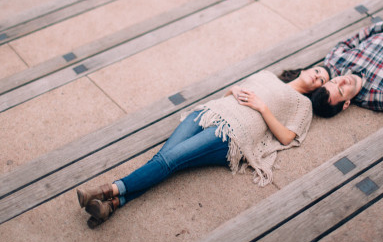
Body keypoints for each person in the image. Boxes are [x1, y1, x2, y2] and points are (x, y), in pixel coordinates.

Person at [75, 67, 329, 227]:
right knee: (165, 158)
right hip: (211, 112)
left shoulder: (302, 104)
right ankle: (113, 205)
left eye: (321, 79)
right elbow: (234, 92)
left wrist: (262, 107)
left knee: (170, 160)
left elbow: (286, 137)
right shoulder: (267, 75)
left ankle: (106, 190)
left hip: (232, 132)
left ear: (318, 88)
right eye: (318, 70)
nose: (316, 75)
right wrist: (235, 89)